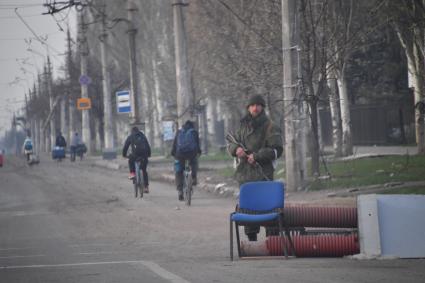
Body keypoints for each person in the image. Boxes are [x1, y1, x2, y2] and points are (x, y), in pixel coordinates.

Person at [227, 94, 283, 241]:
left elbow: (277, 150)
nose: (255, 108)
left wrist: (257, 156)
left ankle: (273, 242)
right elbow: (232, 143)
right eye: (252, 105)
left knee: (268, 206)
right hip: (245, 173)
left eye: (258, 105)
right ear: (248, 108)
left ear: (262, 107)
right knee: (248, 208)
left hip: (263, 172)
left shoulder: (271, 126)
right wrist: (235, 150)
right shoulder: (242, 126)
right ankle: (251, 240)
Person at [171, 120, 201, 201]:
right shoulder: (194, 132)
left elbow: (174, 145)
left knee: (179, 171)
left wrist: (173, 153)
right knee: (194, 162)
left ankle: (180, 191)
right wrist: (199, 152)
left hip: (180, 154)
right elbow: (197, 145)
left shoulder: (179, 132)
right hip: (191, 154)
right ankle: (193, 178)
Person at [122, 126, 151, 193]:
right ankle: (146, 187)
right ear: (138, 130)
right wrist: (149, 154)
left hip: (135, 155)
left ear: (132, 131)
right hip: (144, 156)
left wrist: (124, 155)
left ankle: (132, 174)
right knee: (144, 170)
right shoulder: (143, 136)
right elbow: (148, 146)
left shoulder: (131, 136)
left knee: (130, 161)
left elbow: (126, 146)